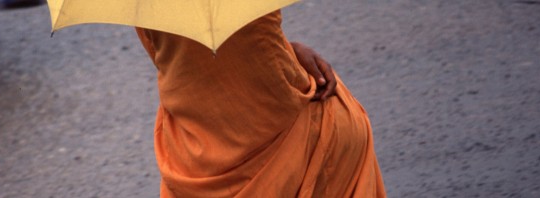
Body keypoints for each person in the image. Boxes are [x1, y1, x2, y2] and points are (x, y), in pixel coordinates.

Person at [134, 10, 386, 197]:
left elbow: (168, 54)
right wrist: (287, 49)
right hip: (310, 143)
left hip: (194, 153)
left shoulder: (147, 5)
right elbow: (256, 39)